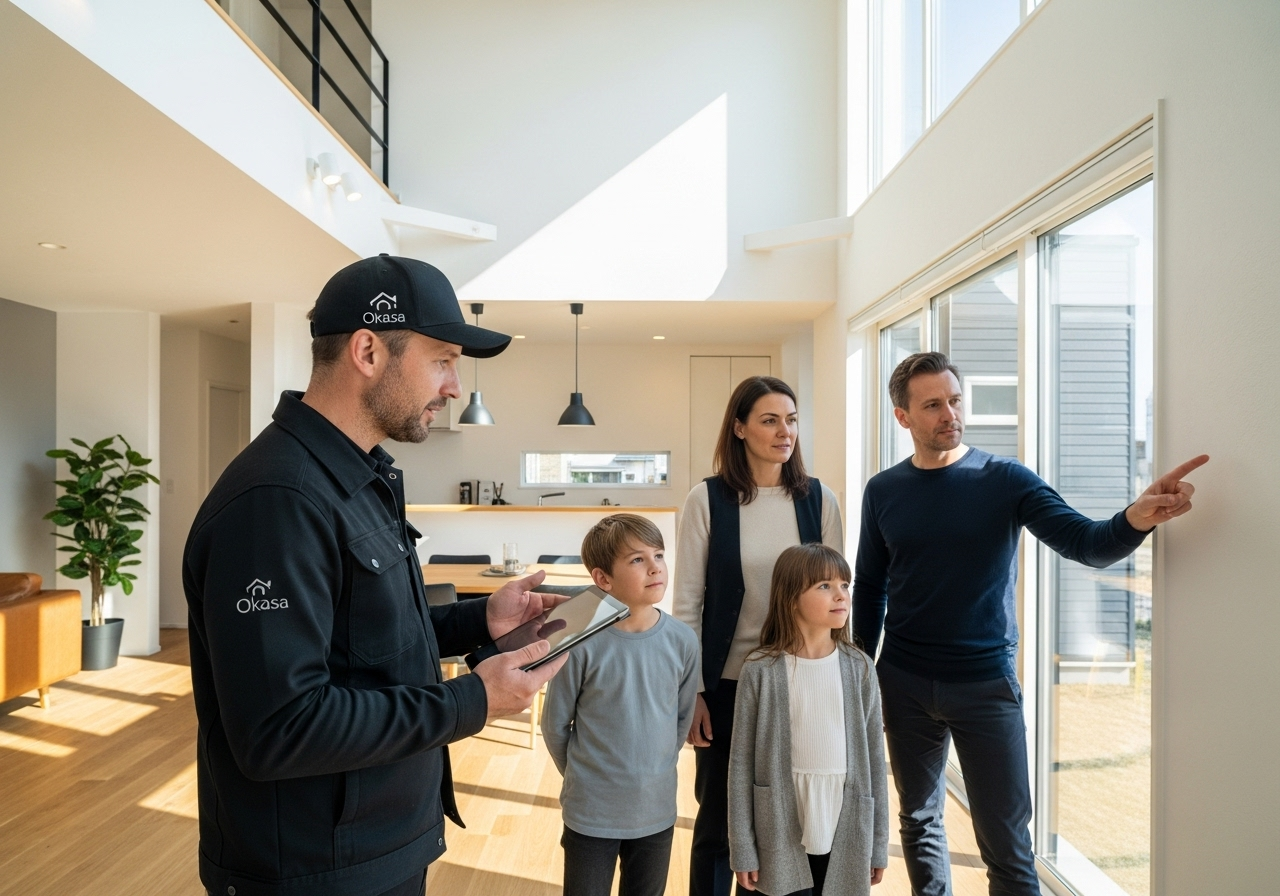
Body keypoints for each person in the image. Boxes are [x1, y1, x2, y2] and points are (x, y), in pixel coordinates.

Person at [183, 255, 568, 896]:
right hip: (314, 869)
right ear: (367, 350)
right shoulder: (278, 499)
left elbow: (358, 635)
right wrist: (473, 699)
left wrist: (480, 619)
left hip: (375, 843)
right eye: (442, 359)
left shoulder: (361, 477)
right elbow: (281, 729)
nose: (453, 387)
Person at [852, 351, 1207, 896]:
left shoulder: (1005, 479)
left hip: (985, 687)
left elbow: (1085, 543)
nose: (950, 413)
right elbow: (872, 587)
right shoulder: (883, 490)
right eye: (932, 405)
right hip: (902, 681)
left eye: (954, 400)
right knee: (919, 821)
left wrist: (1135, 518)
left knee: (1008, 847)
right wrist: (862, 672)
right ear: (903, 418)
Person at [675, 376, 844, 896]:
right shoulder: (707, 500)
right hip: (727, 686)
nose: (784, 431)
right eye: (769, 420)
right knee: (719, 824)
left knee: (789, 821)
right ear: (740, 428)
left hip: (802, 684)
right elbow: (686, 605)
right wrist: (693, 692)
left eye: (791, 420)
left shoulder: (818, 500)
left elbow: (835, 596)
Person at [540, 513, 700, 896]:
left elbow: (681, 720)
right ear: (603, 580)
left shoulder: (682, 641)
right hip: (591, 814)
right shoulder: (579, 642)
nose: (655, 567)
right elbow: (555, 725)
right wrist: (584, 775)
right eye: (637, 560)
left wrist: (653, 767)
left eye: (658, 555)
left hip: (656, 810)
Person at [728, 543, 888, 896]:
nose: (840, 595)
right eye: (824, 586)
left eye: (845, 585)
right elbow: (740, 765)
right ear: (791, 599)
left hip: (845, 822)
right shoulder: (761, 669)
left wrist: (878, 843)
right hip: (779, 825)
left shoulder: (860, 667)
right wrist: (742, 847)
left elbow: (875, 760)